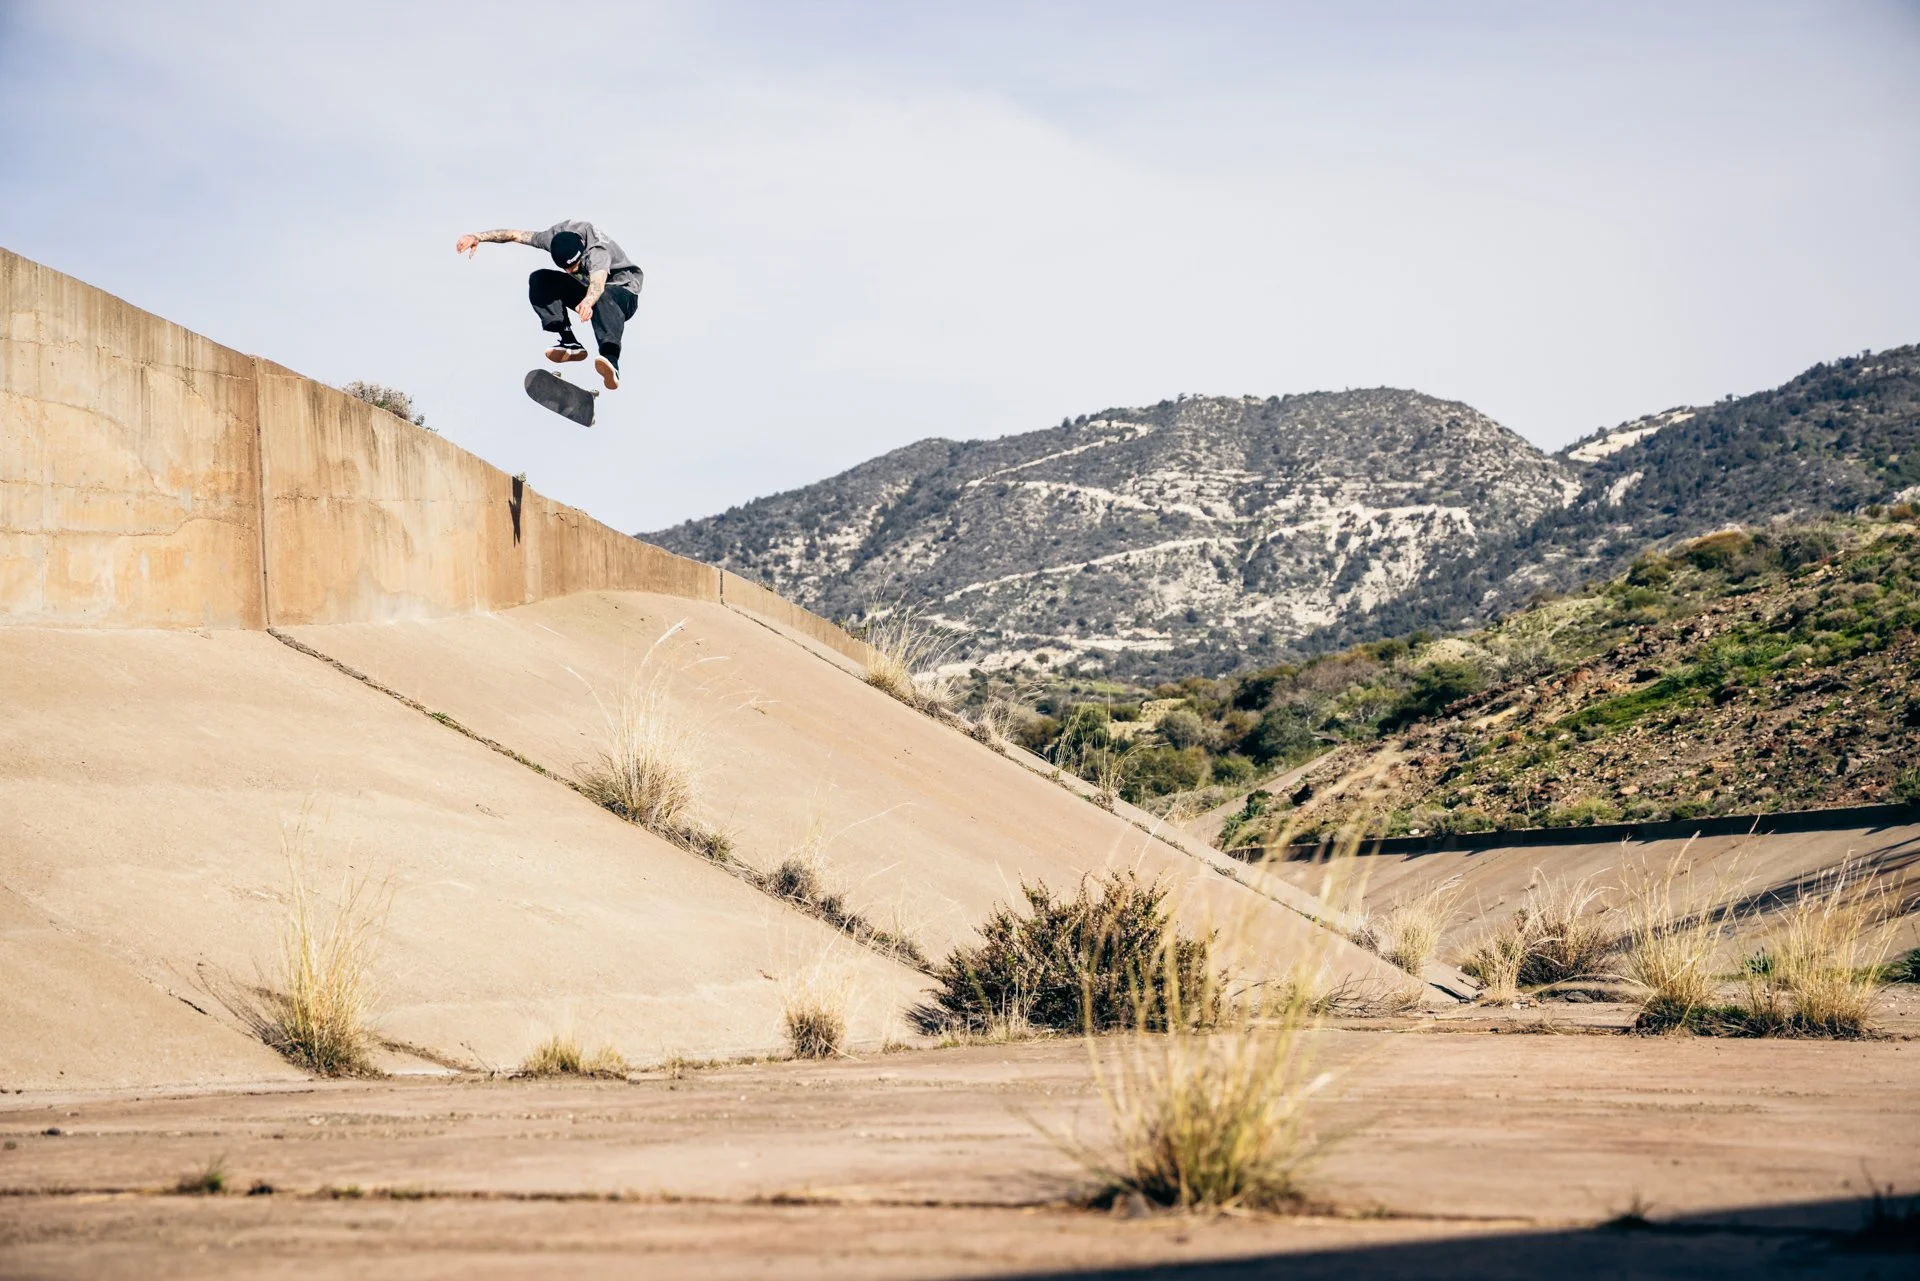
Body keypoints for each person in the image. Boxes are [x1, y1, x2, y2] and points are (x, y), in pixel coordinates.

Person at [455, 220, 643, 391]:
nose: (570, 271)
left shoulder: (597, 252)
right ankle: (569, 341)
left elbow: (598, 284)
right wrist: (478, 237)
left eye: (574, 267)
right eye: (566, 269)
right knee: (540, 279)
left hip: (623, 294)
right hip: (590, 290)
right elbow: (515, 235)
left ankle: (611, 360)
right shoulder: (552, 238)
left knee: (603, 295)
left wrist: (587, 302)